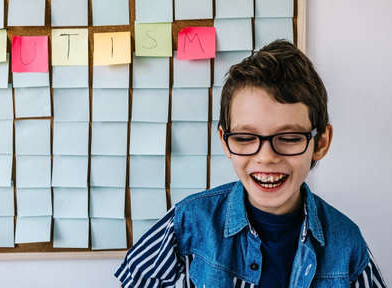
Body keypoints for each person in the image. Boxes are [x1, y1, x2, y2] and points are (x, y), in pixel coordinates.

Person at [114, 40, 387, 288]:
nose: (266, 157)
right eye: (245, 137)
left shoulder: (347, 244)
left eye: (289, 138)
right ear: (225, 140)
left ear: (321, 142)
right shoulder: (187, 221)